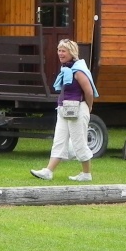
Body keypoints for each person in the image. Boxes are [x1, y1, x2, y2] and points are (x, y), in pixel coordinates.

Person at [31, 39, 99, 182]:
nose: (60, 53)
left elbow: (89, 92)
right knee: (59, 141)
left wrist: (89, 107)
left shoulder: (78, 71)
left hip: (78, 109)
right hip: (64, 109)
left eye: (63, 51)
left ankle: (86, 174)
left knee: (79, 142)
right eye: (59, 50)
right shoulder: (66, 69)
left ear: (71, 52)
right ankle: (48, 171)